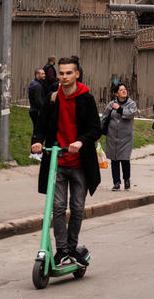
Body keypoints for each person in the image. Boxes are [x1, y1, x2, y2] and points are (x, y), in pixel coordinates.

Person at [30, 56, 101, 267]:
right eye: (61, 73)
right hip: (57, 161)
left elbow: (95, 129)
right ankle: (62, 251)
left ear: (77, 74)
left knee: (77, 208)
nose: (64, 77)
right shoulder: (53, 98)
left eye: (68, 73)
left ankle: (72, 247)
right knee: (58, 207)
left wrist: (80, 142)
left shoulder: (86, 98)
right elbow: (41, 125)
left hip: (80, 164)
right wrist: (37, 142)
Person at [102, 82, 138, 190]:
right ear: (116, 93)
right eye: (121, 90)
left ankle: (126, 179)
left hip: (126, 137)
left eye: (125, 89)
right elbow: (104, 117)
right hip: (112, 136)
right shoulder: (111, 104)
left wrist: (119, 109)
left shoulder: (131, 104)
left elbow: (131, 114)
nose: (124, 91)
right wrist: (100, 130)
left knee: (125, 159)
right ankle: (116, 182)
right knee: (114, 159)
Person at [28, 69, 46, 159]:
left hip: (33, 110)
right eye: (42, 74)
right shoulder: (38, 85)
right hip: (37, 111)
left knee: (36, 131)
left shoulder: (33, 83)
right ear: (37, 75)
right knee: (37, 132)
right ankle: (35, 153)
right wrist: (44, 109)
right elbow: (38, 100)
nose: (44, 75)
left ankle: (35, 153)